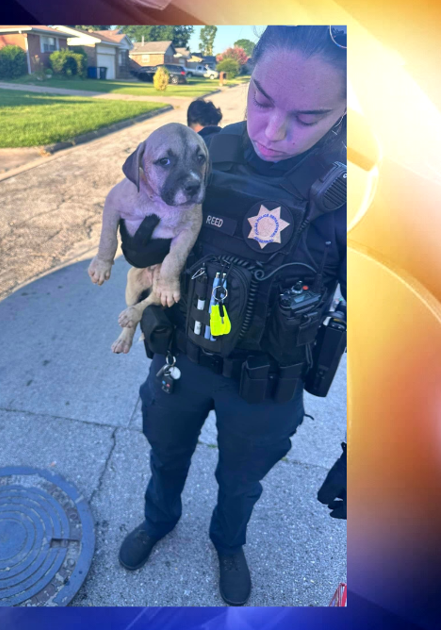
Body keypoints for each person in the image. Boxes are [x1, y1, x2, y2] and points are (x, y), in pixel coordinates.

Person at [120, 26, 347, 606]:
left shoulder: (361, 195)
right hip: (182, 361)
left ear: (345, 110)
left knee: (241, 483)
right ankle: (160, 519)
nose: (273, 131)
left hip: (267, 386)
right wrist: (139, 230)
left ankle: (228, 543)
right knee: (165, 454)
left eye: (308, 116)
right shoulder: (203, 156)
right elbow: (145, 248)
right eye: (262, 99)